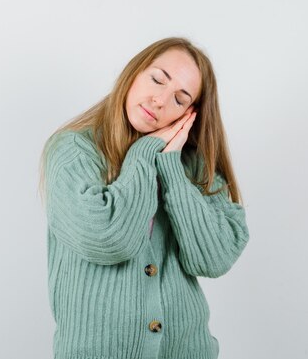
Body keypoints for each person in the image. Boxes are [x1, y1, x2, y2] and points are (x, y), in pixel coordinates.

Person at [38, 37, 250, 359]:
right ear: (134, 73)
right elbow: (108, 238)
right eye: (157, 79)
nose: (160, 100)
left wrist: (171, 168)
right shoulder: (72, 152)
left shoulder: (193, 165)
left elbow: (215, 257)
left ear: (189, 115)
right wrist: (144, 151)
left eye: (180, 99)